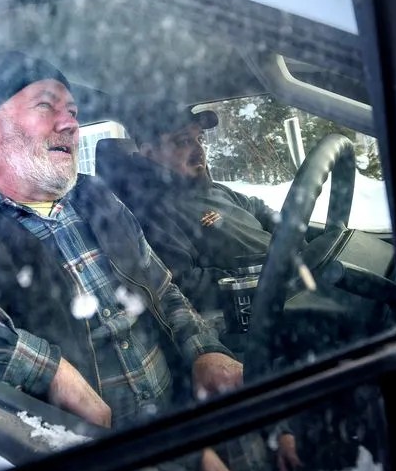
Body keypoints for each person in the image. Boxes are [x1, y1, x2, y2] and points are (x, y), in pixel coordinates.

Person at [0, 51, 284, 471]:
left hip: (181, 419)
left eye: (72, 112)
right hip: (89, 469)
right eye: (46, 106)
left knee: (289, 441)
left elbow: (163, 289)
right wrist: (45, 368)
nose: (69, 123)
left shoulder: (98, 199)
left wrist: (204, 350)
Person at [118, 105, 281, 317]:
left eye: (200, 139)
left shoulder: (212, 189)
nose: (199, 151)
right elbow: (186, 285)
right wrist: (266, 276)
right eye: (184, 142)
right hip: (257, 309)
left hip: (290, 280)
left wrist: (290, 237)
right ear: (149, 153)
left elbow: (259, 209)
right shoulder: (151, 213)